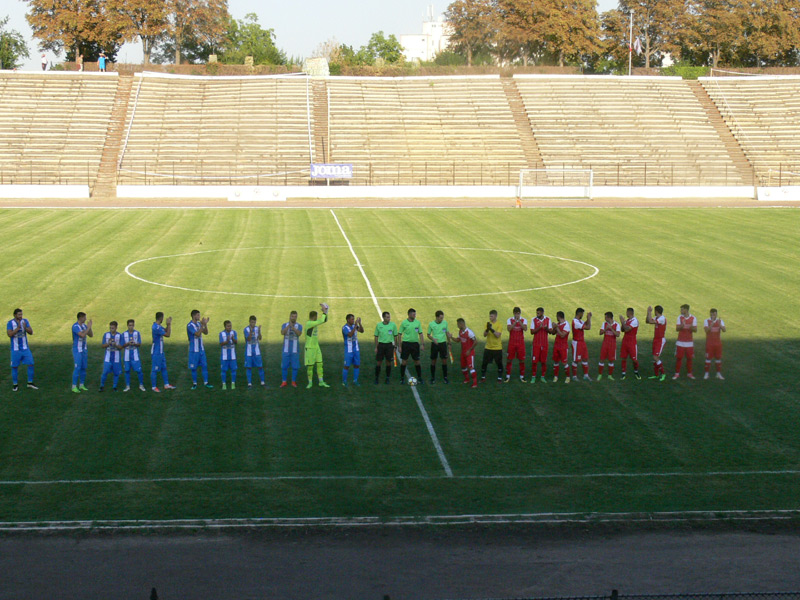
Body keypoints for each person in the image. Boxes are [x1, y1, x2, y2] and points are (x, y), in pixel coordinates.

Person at [7, 308, 36, 392]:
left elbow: (31, 332)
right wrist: (18, 328)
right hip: (15, 349)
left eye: (21, 314)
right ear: (15, 315)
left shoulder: (25, 321)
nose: (21, 316)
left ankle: (30, 383)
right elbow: (9, 334)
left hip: (25, 348)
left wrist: (25, 327)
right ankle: (15, 384)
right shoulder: (10, 323)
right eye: (19, 314)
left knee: (31, 364)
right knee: (14, 366)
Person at [305, 303, 330, 388]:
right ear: (314, 317)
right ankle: (310, 383)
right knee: (310, 367)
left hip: (316, 347)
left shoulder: (314, 323)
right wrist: (324, 311)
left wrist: (326, 311)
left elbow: (324, 320)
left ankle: (321, 382)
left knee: (320, 364)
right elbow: (322, 320)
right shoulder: (309, 323)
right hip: (310, 348)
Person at [398, 308, 425, 384]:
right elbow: (399, 334)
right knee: (404, 362)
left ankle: (419, 377)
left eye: (415, 314)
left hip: (415, 345)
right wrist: (399, 346)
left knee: (417, 361)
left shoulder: (417, 323)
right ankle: (402, 378)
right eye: (413, 314)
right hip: (406, 344)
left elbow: (421, 334)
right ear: (409, 314)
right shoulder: (404, 323)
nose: (415, 315)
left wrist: (422, 344)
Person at [187, 310, 212, 390]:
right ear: (193, 316)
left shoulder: (198, 324)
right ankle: (194, 383)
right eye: (198, 315)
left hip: (201, 349)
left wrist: (205, 325)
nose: (199, 316)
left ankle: (206, 382)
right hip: (194, 350)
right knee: (194, 368)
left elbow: (206, 332)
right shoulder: (190, 325)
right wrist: (202, 325)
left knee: (204, 366)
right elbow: (197, 334)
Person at [151, 312, 176, 392]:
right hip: (156, 352)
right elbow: (168, 334)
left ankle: (166, 384)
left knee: (164, 368)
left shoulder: (158, 326)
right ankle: (153, 387)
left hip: (161, 351)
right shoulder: (156, 327)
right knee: (154, 369)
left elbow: (165, 330)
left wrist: (168, 325)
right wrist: (169, 324)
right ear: (161, 318)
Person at [452, 318, 478, 388]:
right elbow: (458, 340)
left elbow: (476, 342)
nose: (457, 326)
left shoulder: (469, 332)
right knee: (463, 367)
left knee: (471, 367)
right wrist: (451, 337)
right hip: (463, 353)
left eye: (458, 324)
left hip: (470, 353)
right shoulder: (460, 331)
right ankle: (467, 379)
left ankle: (475, 383)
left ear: (461, 324)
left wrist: (470, 350)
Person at [674, 304, 698, 380]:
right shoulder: (679, 317)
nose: (680, 311)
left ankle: (689, 373)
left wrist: (690, 326)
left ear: (686, 310)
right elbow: (677, 329)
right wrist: (682, 325)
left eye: (682, 309)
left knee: (689, 358)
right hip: (680, 342)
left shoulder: (693, 318)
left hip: (689, 343)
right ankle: (677, 373)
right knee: (679, 358)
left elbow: (695, 330)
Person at [121, 319, 146, 392]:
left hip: (135, 355)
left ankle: (141, 385)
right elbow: (122, 345)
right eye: (129, 325)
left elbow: (139, 344)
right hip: (127, 356)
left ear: (134, 325)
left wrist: (135, 344)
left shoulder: (137, 333)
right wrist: (128, 343)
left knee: (139, 371)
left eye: (132, 325)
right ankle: (127, 386)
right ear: (127, 326)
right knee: (127, 371)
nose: (131, 327)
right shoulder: (124, 334)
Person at [373, 311, 398, 384]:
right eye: (387, 317)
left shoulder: (393, 325)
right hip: (381, 345)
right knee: (379, 362)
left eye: (389, 317)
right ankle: (376, 378)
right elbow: (376, 336)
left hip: (389, 346)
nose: (389, 318)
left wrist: (395, 346)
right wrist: (376, 347)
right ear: (383, 317)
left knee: (388, 362)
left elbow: (395, 336)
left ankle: (387, 378)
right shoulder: (379, 325)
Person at [71, 311, 93, 393]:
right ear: (80, 318)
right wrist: (88, 327)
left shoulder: (84, 326)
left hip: (84, 349)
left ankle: (81, 384)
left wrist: (89, 328)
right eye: (84, 317)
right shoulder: (75, 326)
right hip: (77, 350)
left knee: (84, 367)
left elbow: (91, 335)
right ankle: (74, 386)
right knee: (77, 367)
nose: (85, 319)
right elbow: (82, 335)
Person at [280, 311, 303, 388]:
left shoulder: (299, 326)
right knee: (284, 366)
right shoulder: (284, 325)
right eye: (292, 316)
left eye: (295, 316)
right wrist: (288, 327)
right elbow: (282, 332)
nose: (294, 318)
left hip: (295, 350)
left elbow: (299, 334)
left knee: (295, 367)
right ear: (290, 316)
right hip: (286, 350)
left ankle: (293, 382)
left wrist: (293, 328)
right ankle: (284, 382)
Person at [426, 310, 450, 384]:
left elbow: (447, 333)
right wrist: (433, 339)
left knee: (444, 361)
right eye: (440, 318)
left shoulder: (445, 323)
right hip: (435, 344)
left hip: (443, 344)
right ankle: (433, 378)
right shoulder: (431, 324)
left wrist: (449, 343)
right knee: (433, 361)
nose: (442, 319)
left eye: (442, 318)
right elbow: (428, 334)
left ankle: (445, 377)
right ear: (436, 317)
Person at [505, 307, 528, 382]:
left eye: (518, 313)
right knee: (509, 359)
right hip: (512, 343)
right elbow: (509, 329)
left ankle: (522, 376)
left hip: (520, 343)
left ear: (520, 313)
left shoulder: (524, 320)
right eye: (515, 313)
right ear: (513, 313)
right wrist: (515, 322)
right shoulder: (510, 320)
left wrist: (519, 321)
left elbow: (525, 329)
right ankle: (507, 376)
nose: (517, 315)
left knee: (522, 360)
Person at [480, 309, 503, 383]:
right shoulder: (488, 324)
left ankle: (499, 378)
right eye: (490, 316)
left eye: (491, 316)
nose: (490, 318)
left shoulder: (499, 324)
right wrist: (487, 329)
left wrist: (491, 329)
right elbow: (484, 335)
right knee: (484, 363)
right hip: (488, 347)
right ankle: (483, 377)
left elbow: (497, 335)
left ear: (495, 316)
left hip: (497, 348)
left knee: (499, 363)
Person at [99, 321, 123, 392]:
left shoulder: (119, 336)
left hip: (116, 358)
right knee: (105, 372)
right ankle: (101, 386)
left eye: (113, 328)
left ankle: (114, 387)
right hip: (108, 358)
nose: (111, 329)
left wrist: (115, 345)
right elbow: (103, 346)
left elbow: (121, 347)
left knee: (116, 373)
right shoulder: (106, 335)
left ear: (116, 328)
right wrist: (108, 344)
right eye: (110, 328)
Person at [646, 305, 667, 381]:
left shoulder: (662, 318)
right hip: (656, 339)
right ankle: (656, 375)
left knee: (655, 357)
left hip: (660, 340)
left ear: (656, 311)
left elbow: (650, 321)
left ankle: (663, 373)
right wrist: (648, 313)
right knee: (654, 358)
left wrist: (649, 312)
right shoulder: (657, 318)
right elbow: (647, 321)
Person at [243, 316, 265, 388]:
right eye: (252, 322)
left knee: (260, 366)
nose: (253, 324)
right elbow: (248, 339)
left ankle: (262, 382)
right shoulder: (246, 329)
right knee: (249, 367)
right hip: (249, 351)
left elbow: (260, 338)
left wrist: (259, 332)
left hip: (257, 351)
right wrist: (251, 332)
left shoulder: (256, 328)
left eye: (254, 322)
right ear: (249, 322)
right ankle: (249, 383)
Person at [342, 314, 364, 386]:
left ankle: (355, 380)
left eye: (354, 319)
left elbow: (362, 331)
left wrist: (360, 323)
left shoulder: (355, 326)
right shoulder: (345, 328)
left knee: (357, 365)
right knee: (346, 366)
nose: (353, 320)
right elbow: (350, 334)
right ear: (348, 320)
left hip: (356, 349)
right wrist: (355, 326)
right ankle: (344, 381)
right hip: (349, 350)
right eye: (352, 319)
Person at [704, 308, 726, 380]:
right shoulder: (706, 321)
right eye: (712, 314)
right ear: (710, 314)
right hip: (709, 344)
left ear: (716, 314)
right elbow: (706, 331)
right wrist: (711, 324)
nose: (713, 315)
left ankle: (718, 374)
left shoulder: (720, 321)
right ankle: (706, 374)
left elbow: (724, 330)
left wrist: (720, 325)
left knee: (718, 358)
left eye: (714, 314)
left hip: (718, 344)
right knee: (708, 358)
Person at [618, 307, 641, 380]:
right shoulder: (627, 320)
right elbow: (622, 330)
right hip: (625, 341)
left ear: (629, 313)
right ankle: (623, 373)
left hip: (632, 342)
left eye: (627, 312)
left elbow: (627, 329)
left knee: (634, 360)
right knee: (623, 357)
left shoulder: (635, 321)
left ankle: (636, 371)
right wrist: (623, 323)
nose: (626, 313)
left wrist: (622, 322)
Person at [570, 308, 592, 382]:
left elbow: (585, 324)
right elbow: (588, 327)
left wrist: (588, 318)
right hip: (577, 343)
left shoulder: (579, 321)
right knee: (576, 360)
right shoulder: (575, 322)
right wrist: (589, 319)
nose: (583, 315)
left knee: (585, 358)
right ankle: (574, 376)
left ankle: (586, 375)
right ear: (579, 313)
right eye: (582, 313)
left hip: (582, 342)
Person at [530, 307, 550, 383]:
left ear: (542, 313)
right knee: (534, 361)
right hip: (536, 344)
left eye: (538, 313)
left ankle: (542, 377)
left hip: (545, 344)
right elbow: (532, 332)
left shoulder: (548, 319)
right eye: (537, 313)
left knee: (543, 361)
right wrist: (540, 327)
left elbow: (551, 331)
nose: (537, 314)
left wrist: (546, 328)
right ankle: (533, 377)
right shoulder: (534, 320)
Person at [597, 312, 621, 380]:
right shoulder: (604, 324)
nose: (605, 318)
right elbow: (600, 333)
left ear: (609, 317)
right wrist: (606, 329)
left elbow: (618, 335)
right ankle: (600, 374)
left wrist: (611, 329)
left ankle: (610, 375)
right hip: (605, 344)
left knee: (611, 360)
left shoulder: (617, 324)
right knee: (602, 359)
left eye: (605, 317)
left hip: (612, 345)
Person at [550, 311, 571, 384]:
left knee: (564, 362)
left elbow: (562, 335)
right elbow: (553, 333)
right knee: (556, 361)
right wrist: (553, 327)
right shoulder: (558, 324)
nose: (556, 317)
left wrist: (557, 328)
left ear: (559, 317)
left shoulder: (566, 325)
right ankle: (555, 376)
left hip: (563, 347)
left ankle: (568, 377)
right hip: (556, 346)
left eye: (556, 316)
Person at [219, 320, 238, 390]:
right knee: (223, 370)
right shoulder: (221, 334)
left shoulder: (234, 332)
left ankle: (233, 383)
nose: (229, 327)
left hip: (233, 356)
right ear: (225, 326)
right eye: (228, 326)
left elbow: (236, 342)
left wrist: (233, 339)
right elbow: (221, 344)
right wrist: (227, 341)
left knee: (233, 370)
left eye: (230, 326)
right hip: (224, 356)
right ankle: (224, 384)